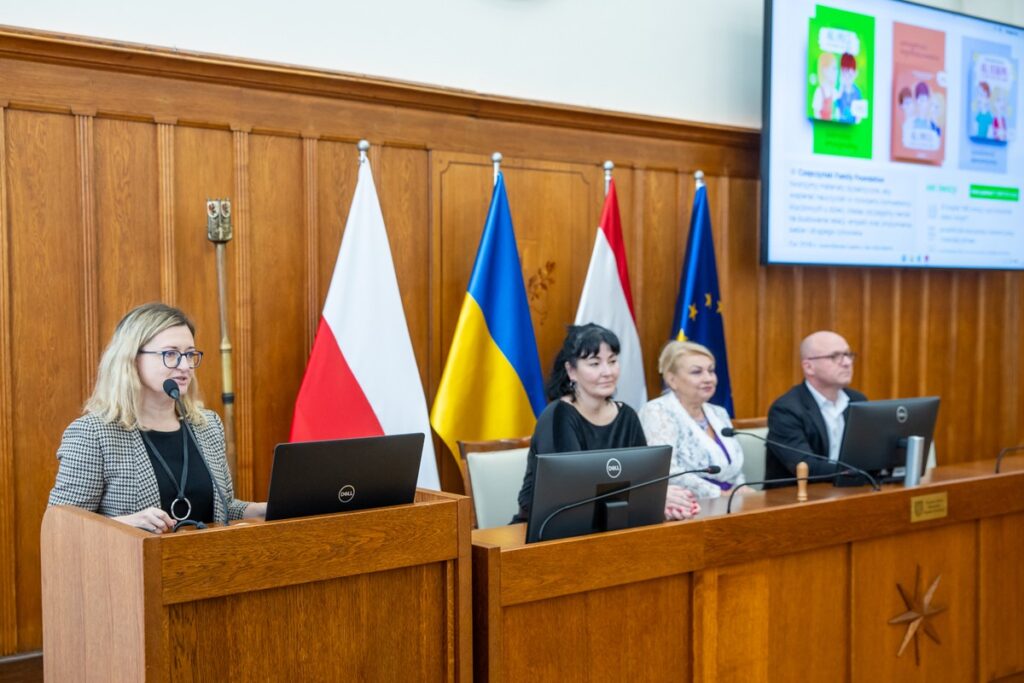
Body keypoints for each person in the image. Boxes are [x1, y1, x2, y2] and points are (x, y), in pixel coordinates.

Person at [48, 302, 265, 532]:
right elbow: (62, 527)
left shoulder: (207, 425)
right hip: (131, 566)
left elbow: (222, 508)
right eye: (170, 354)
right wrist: (125, 524)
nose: (185, 366)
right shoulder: (93, 434)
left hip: (208, 564)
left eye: (190, 354)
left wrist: (263, 510)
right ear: (132, 359)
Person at [513, 324, 699, 524]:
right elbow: (570, 492)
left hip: (614, 524)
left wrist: (659, 495)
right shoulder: (557, 416)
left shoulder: (627, 415)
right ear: (571, 371)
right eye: (594, 364)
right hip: (545, 531)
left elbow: (643, 478)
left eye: (612, 361)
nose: (607, 372)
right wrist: (649, 494)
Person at [639, 341, 745, 500]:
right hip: (686, 505)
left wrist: (741, 491)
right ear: (671, 379)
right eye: (697, 372)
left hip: (731, 501)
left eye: (711, 370)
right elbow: (667, 471)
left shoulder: (719, 413)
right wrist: (720, 494)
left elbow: (735, 468)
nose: (708, 378)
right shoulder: (657, 412)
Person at [765, 330, 867, 482]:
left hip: (852, 488)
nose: (847, 363)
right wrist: (862, 471)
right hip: (797, 497)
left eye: (848, 355)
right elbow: (805, 467)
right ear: (808, 367)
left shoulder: (857, 400)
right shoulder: (786, 410)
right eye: (835, 356)